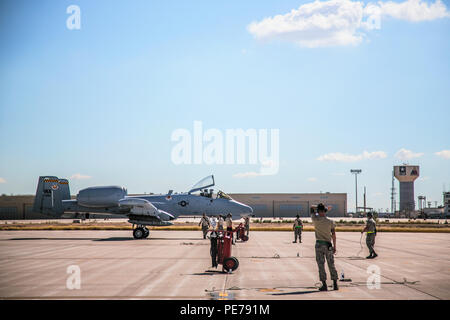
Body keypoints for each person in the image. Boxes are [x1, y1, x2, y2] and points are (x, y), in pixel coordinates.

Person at [310, 203, 339, 291]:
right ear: (325, 211)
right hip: (328, 245)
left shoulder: (315, 219)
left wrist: (321, 208)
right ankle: (335, 284)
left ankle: (324, 284)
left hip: (319, 245)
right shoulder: (330, 221)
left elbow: (311, 207)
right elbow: (333, 234)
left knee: (321, 265)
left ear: (318, 211)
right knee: (331, 264)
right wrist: (335, 246)